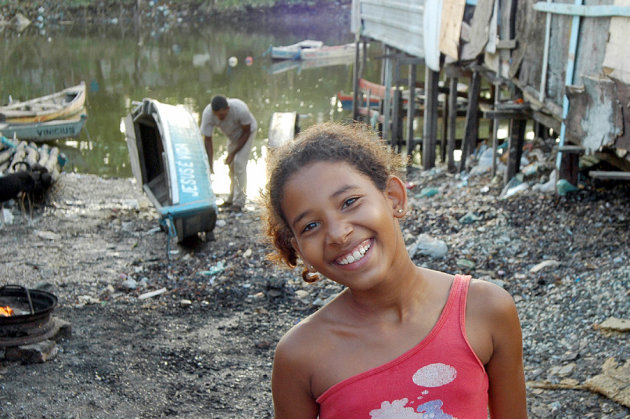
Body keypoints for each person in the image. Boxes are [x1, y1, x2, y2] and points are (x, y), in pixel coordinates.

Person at [262, 122, 527, 418]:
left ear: (394, 197)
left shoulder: (485, 310)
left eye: (349, 202)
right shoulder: (300, 356)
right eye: (310, 225)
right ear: (300, 250)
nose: (337, 234)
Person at [200, 95, 257, 212]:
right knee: (231, 167)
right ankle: (231, 198)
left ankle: (239, 203)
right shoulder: (208, 114)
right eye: (217, 115)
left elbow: (247, 131)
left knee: (239, 164)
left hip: (247, 133)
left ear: (228, 109)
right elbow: (208, 140)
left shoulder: (240, 109)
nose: (219, 118)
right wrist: (210, 165)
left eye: (222, 115)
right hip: (231, 136)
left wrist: (232, 154)